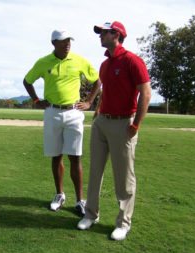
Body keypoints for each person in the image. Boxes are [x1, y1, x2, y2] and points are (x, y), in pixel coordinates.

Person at [77, 21, 151, 241]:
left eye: (104, 32)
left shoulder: (132, 61)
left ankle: (123, 223)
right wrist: (98, 110)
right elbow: (106, 90)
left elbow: (145, 94)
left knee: (124, 176)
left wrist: (136, 124)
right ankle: (91, 214)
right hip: (102, 122)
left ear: (116, 34)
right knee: (95, 172)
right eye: (100, 33)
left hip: (123, 124)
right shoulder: (105, 64)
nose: (100, 36)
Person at [23, 30, 100, 215]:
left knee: (75, 157)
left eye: (69, 41)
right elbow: (27, 81)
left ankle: (80, 200)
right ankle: (59, 194)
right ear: (53, 43)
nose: (67, 44)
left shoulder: (79, 60)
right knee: (56, 156)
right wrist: (36, 100)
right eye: (63, 41)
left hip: (74, 112)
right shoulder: (43, 62)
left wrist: (89, 101)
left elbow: (97, 81)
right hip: (52, 112)